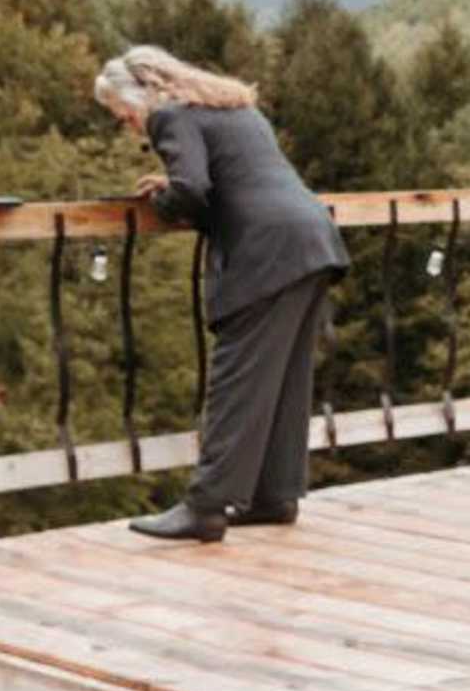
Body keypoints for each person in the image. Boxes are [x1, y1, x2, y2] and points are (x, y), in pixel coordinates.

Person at [90, 46, 349, 541]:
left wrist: (163, 197)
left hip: (266, 251)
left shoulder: (168, 116)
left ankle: (205, 506)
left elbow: (191, 190)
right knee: (285, 377)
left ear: (138, 96)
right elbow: (231, 181)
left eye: (121, 116)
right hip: (312, 239)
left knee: (238, 378)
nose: (128, 127)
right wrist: (177, 186)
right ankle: (274, 497)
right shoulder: (233, 108)